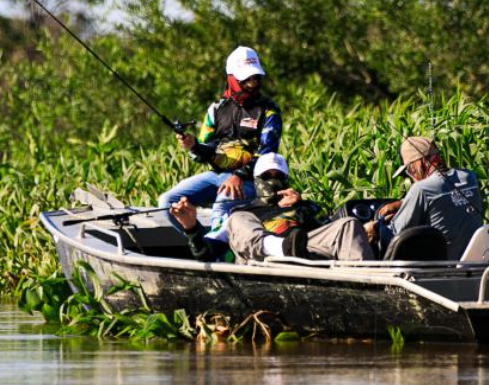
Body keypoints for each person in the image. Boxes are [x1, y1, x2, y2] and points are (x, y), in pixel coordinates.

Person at [157, 46, 283, 245]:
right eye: (246, 79)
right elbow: (202, 153)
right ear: (231, 78)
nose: (252, 84)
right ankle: (200, 246)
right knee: (167, 202)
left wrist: (238, 176)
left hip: (251, 180)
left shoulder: (269, 111)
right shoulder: (216, 109)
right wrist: (192, 146)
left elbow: (267, 154)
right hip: (216, 176)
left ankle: (215, 256)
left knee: (222, 204)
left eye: (256, 78)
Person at [171, 153, 374, 263]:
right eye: (267, 177)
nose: (273, 182)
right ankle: (281, 249)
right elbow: (206, 253)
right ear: (257, 181)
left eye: (279, 177)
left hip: (306, 253)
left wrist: (302, 207)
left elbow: (327, 231)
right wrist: (190, 227)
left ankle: (368, 290)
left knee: (349, 224)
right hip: (263, 262)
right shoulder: (244, 212)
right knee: (237, 217)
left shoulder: (302, 205)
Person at [368, 136, 484, 260]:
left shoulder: (421, 188)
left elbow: (393, 235)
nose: (410, 176)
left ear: (419, 163)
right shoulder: (470, 178)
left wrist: (376, 227)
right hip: (474, 263)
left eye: (408, 170)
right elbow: (448, 200)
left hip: (441, 268)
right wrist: (403, 204)